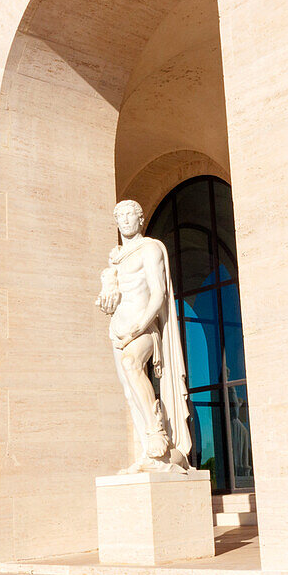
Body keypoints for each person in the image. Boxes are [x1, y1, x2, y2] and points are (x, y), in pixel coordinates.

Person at [96, 200, 192, 473]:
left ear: (140, 219)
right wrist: (107, 297)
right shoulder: (116, 257)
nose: (125, 220)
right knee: (129, 391)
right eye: (120, 216)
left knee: (132, 363)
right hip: (118, 328)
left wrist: (140, 326)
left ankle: (156, 433)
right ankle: (148, 455)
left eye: (130, 215)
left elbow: (158, 292)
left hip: (143, 327)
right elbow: (114, 297)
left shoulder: (149, 248)